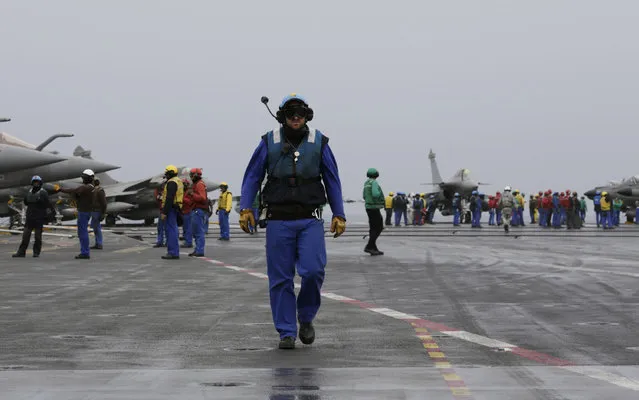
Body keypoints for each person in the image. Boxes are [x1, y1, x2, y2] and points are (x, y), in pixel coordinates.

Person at [238, 93, 346, 350]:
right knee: (280, 278)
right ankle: (286, 331)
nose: (295, 117)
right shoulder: (268, 142)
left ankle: (306, 317)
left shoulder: (319, 142)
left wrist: (339, 213)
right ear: (282, 116)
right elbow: (252, 176)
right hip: (278, 220)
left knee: (313, 271)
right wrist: (245, 208)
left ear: (307, 115)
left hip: (310, 219)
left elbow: (332, 179)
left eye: (299, 113)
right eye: (290, 113)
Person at [12, 176, 56, 258]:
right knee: (25, 236)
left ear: (40, 183)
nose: (36, 184)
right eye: (34, 182)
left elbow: (48, 204)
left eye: (37, 182)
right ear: (32, 183)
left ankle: (36, 252)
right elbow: (26, 202)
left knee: (38, 237)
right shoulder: (29, 192)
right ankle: (21, 252)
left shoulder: (43, 193)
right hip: (30, 217)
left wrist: (51, 216)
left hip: (39, 218)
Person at [58, 169, 96, 259]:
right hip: (86, 211)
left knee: (82, 233)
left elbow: (73, 190)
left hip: (83, 212)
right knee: (82, 232)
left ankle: (85, 253)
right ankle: (85, 251)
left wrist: (60, 189)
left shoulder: (86, 187)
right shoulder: (91, 187)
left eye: (84, 177)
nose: (83, 179)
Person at [160, 165, 184, 259]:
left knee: (171, 231)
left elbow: (169, 198)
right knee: (173, 230)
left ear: (170, 173)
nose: (166, 175)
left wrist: (164, 212)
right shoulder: (178, 181)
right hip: (175, 208)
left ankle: (173, 252)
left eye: (167, 173)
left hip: (171, 209)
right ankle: (174, 252)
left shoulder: (172, 182)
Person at [363, 168, 384, 255]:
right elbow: (375, 194)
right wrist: (379, 194)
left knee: (373, 228)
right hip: (374, 207)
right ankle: (369, 246)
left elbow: (364, 196)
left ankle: (373, 248)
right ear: (376, 175)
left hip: (368, 207)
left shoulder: (366, 183)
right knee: (379, 227)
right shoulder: (374, 182)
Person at [189, 168, 208, 256]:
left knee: (198, 231)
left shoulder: (199, 184)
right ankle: (197, 249)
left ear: (196, 175)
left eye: (192, 175)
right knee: (195, 231)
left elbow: (202, 198)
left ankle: (200, 251)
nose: (191, 177)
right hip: (196, 210)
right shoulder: (197, 184)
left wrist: (192, 194)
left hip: (198, 210)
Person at [90, 178, 107, 250]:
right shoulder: (94, 191)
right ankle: (97, 243)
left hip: (97, 211)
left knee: (97, 228)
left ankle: (99, 244)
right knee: (95, 228)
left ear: (94, 183)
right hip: (94, 211)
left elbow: (104, 203)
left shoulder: (100, 191)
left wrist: (103, 213)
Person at [180, 178, 194, 248]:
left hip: (188, 212)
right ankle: (186, 240)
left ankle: (188, 242)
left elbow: (190, 201)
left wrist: (182, 199)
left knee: (188, 228)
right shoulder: (184, 192)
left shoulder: (190, 192)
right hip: (184, 212)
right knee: (185, 227)